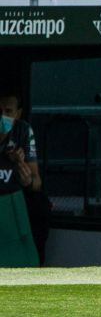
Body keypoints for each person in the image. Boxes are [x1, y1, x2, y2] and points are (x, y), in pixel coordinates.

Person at [1, 92, 46, 265]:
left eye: (8, 111)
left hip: (15, 202)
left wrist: (27, 180)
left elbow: (36, 183)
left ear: (17, 113)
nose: (2, 116)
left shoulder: (23, 131)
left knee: (40, 206)